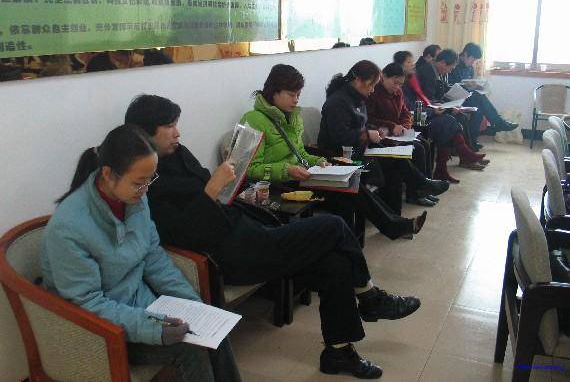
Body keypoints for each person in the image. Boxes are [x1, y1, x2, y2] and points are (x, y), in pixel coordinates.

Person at [125, 93, 422, 379]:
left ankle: (338, 352)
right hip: (230, 254)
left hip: (246, 231)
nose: (178, 132)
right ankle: (370, 297)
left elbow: (214, 192)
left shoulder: (177, 154)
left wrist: (229, 177)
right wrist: (212, 189)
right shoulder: (145, 180)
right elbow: (183, 232)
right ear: (145, 133)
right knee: (333, 225)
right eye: (170, 126)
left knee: (336, 264)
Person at [41, 124, 241, 382]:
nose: (146, 189)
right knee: (190, 347)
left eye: (150, 179)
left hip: (141, 306)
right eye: (139, 182)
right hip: (102, 328)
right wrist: (154, 328)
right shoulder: (68, 228)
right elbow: (88, 303)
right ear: (108, 174)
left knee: (211, 329)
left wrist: (192, 304)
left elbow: (153, 256)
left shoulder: (134, 198)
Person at [241, 64, 427, 240]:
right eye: (291, 94)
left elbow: (301, 154)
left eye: (298, 94)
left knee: (351, 185)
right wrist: (286, 169)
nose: (296, 100)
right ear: (274, 92)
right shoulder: (253, 121)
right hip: (277, 185)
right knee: (348, 192)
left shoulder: (293, 117)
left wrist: (319, 161)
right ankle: (393, 227)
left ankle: (390, 227)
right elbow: (249, 169)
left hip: (302, 175)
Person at [318, 60, 449, 214]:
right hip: (340, 155)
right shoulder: (338, 102)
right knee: (394, 162)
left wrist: (376, 130)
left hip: (360, 148)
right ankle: (420, 186)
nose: (373, 90)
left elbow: (363, 124)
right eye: (371, 85)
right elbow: (339, 136)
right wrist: (368, 133)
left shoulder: (356, 98)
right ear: (358, 81)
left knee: (398, 160)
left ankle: (401, 208)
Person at [395, 51, 489, 183]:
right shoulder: (404, 84)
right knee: (448, 122)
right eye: (409, 62)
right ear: (400, 65)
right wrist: (433, 110)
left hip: (424, 113)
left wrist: (435, 105)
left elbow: (422, 99)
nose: (413, 64)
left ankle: (451, 164)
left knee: (451, 121)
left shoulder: (411, 79)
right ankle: (456, 160)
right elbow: (410, 108)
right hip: (416, 119)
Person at [365, 62, 436, 206]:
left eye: (400, 84)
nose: (397, 87)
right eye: (395, 82)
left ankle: (425, 190)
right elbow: (369, 118)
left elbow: (405, 113)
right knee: (418, 149)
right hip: (382, 136)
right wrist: (391, 126)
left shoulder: (398, 92)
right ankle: (416, 194)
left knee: (424, 144)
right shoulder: (373, 92)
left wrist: (404, 127)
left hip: (397, 134)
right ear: (384, 76)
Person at [447, 42, 518, 149]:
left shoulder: (470, 68)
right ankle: (498, 122)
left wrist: (475, 86)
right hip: (454, 98)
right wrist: (467, 88)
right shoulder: (454, 64)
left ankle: (472, 142)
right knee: (478, 98)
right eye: (473, 59)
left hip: (467, 97)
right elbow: (450, 86)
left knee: (478, 109)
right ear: (465, 54)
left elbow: (468, 84)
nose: (473, 62)